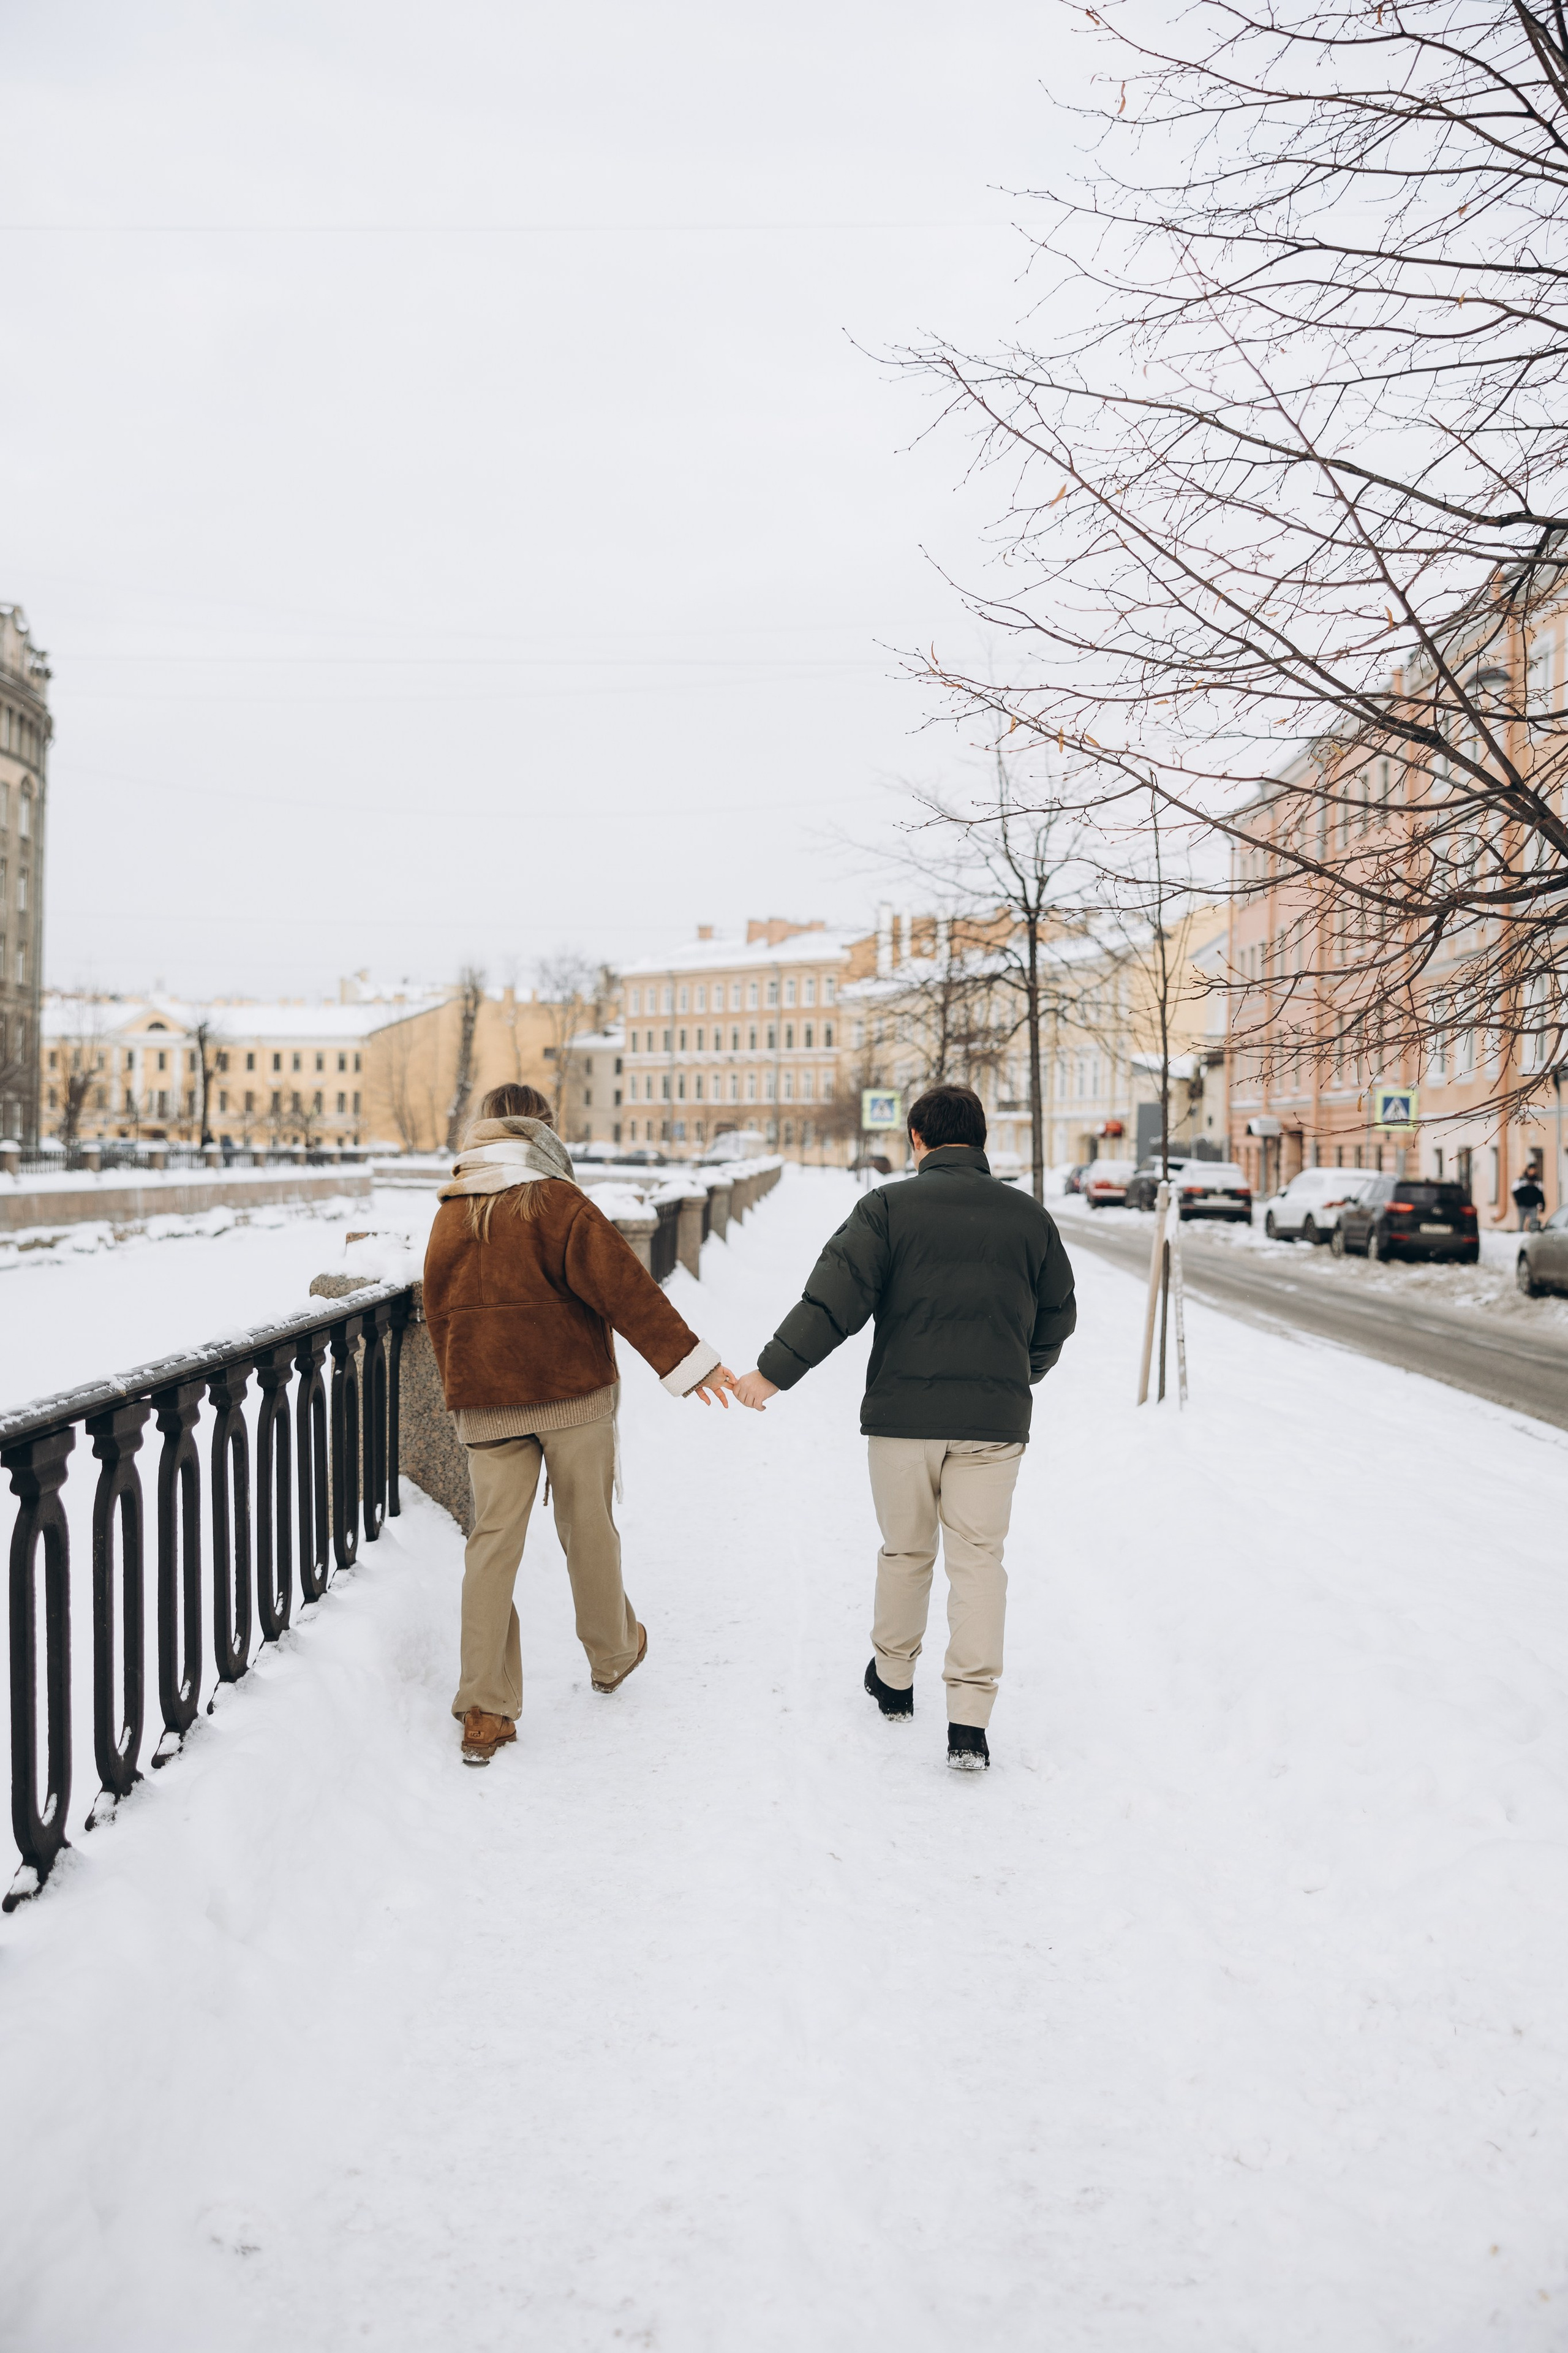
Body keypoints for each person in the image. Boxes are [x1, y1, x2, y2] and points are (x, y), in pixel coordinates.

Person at [731, 1084, 1077, 1772]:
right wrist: (1017, 1374)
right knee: (978, 1561)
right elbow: (1057, 1315)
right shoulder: (1029, 1217)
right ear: (980, 1139)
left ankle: (893, 1680)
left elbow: (832, 1301)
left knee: (906, 1551)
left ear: (916, 1137)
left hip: (902, 1419)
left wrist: (772, 1373)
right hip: (994, 1422)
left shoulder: (886, 1208)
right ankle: (969, 1724)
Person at [423, 1085, 736, 1766]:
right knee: (588, 1527)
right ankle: (613, 1654)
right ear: (544, 1131)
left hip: (488, 1401)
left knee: (492, 1543)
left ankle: (484, 1709)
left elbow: (439, 1312)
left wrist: (465, 1388)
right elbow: (625, 1289)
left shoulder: (451, 1209)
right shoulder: (556, 1200)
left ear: (484, 1129)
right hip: (572, 1395)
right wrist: (690, 1362)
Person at [1512, 1166, 1546, 1231]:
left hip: (1533, 1206)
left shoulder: (1538, 1182)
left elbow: (1541, 1195)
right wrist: (1519, 1202)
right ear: (1527, 1170)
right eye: (1531, 1170)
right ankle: (1519, 1234)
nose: (1532, 1172)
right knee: (1521, 1222)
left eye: (1534, 1170)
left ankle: (1532, 1233)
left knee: (1533, 1223)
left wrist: (1543, 1205)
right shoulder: (1521, 1181)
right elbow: (1514, 1192)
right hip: (1522, 1206)